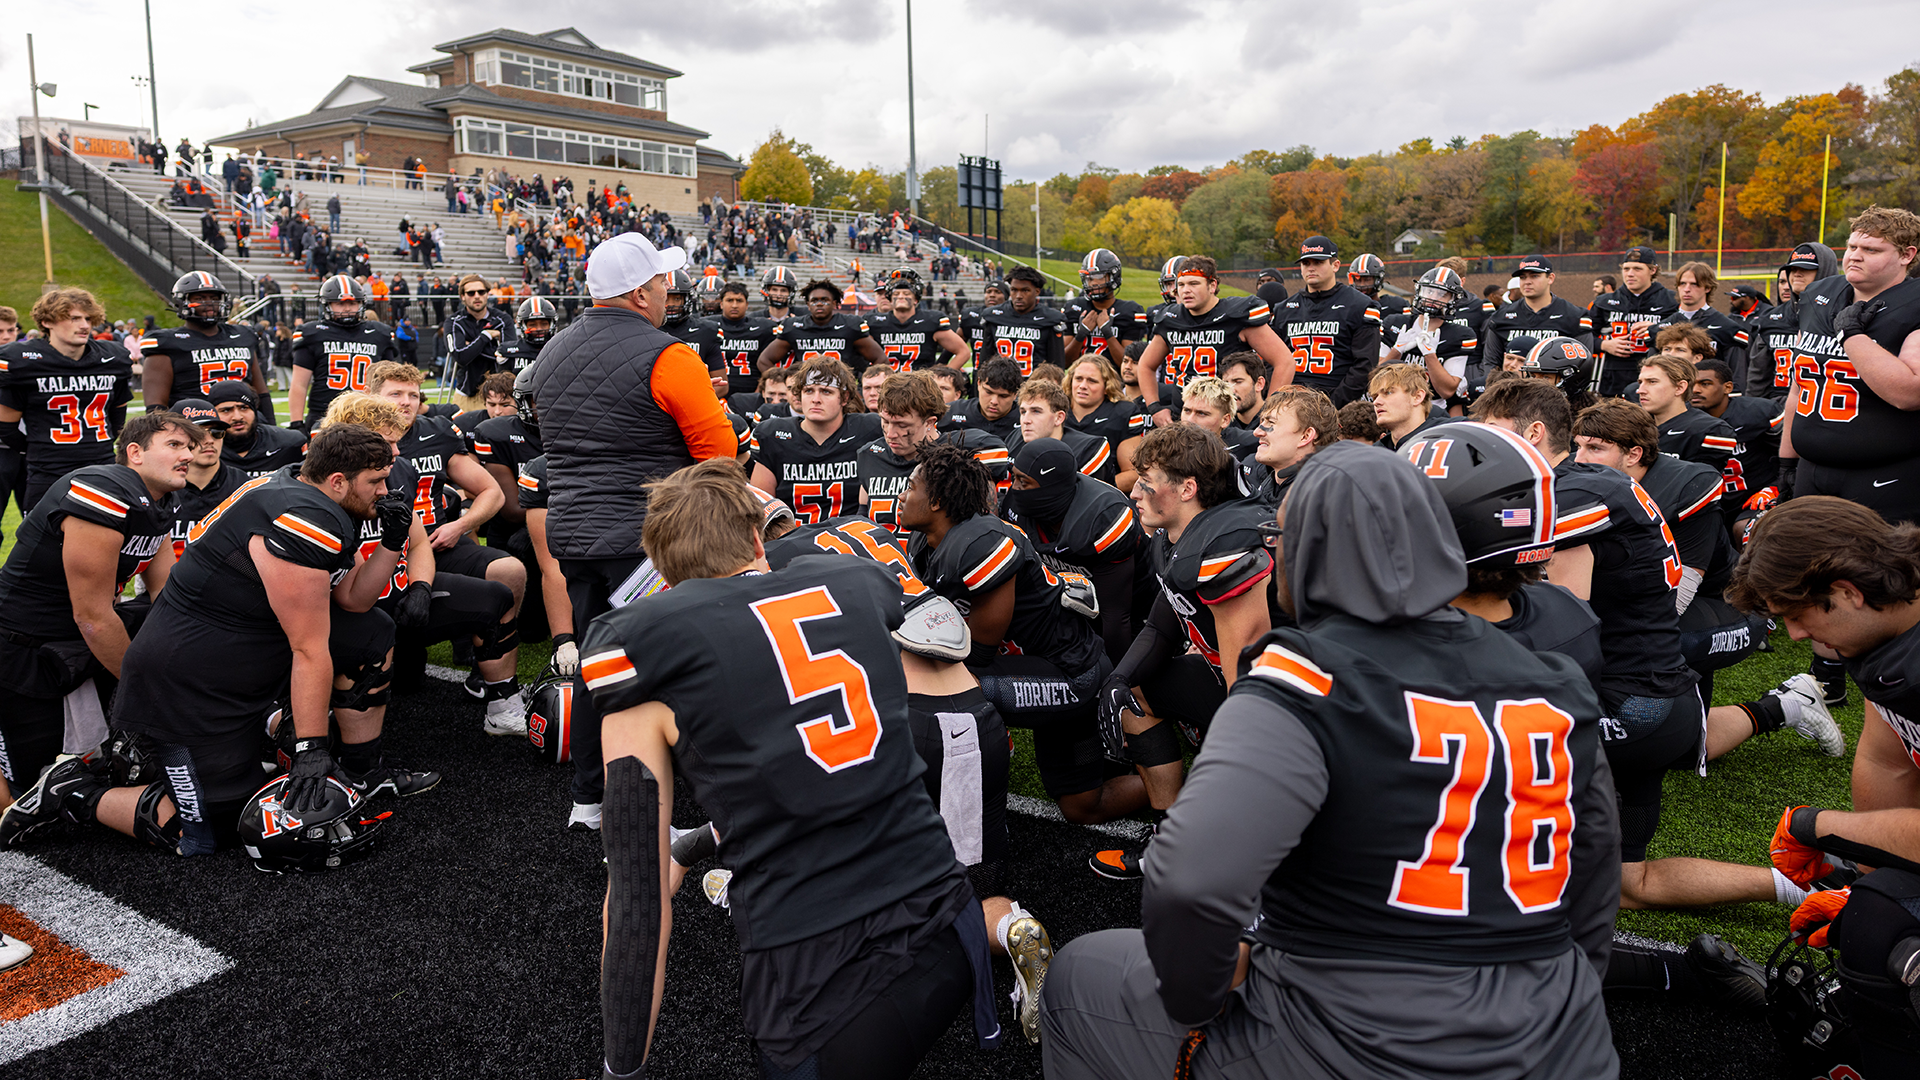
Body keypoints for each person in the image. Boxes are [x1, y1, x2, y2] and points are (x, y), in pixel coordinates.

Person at [1040, 440, 1619, 1080]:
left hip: (1360, 1038)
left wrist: (1198, 1006)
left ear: (1313, 546)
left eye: (1279, 535)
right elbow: (1593, 882)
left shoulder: (1305, 675)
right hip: (1563, 1042)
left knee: (1076, 975)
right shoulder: (1558, 679)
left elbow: (1190, 882)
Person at [580, 461, 1000, 1079]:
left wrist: (622, 1067)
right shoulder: (853, 583)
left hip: (821, 977)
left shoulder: (643, 670)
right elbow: (808, 774)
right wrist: (698, 844)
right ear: (757, 540)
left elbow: (639, 901)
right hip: (947, 920)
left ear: (662, 571)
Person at [1475, 380, 1836, 909]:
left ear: (1531, 434)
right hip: (1657, 689)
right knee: (1628, 885)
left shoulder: (1571, 493)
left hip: (1628, 700)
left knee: (1466, 747)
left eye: (1489, 439)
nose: (1478, 455)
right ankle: (1807, 885)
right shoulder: (1587, 480)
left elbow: (1556, 630)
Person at [2, 425, 427, 858]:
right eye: (376, 480)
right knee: (206, 832)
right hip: (191, 681)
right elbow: (308, 647)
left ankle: (358, 766)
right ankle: (75, 791)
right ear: (338, 480)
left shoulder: (302, 485)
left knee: (370, 630)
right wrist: (310, 748)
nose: (384, 490)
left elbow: (354, 600)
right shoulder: (302, 516)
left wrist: (393, 543)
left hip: (240, 657)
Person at [529, 230, 735, 831]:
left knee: (601, 668)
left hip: (573, 533)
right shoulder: (668, 355)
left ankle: (588, 800)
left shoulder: (552, 352)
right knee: (657, 674)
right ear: (642, 290)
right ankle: (649, 812)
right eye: (661, 280)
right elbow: (719, 456)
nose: (668, 290)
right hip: (646, 542)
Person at [1725, 497, 1920, 1077]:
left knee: (1887, 936)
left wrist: (1815, 825)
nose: (1793, 634)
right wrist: (1868, 874)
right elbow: (1888, 762)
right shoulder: (1893, 642)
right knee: (1869, 909)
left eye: (1799, 614)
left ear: (1850, 591)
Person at [900, 443, 1143, 827]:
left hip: (1071, 675)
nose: (900, 495)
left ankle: (946, 819)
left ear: (938, 501)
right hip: (1038, 667)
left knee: (944, 691)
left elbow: (977, 653)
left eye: (911, 487)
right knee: (1082, 807)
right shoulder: (927, 544)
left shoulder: (981, 542)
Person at [1090, 424, 1273, 878]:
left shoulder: (1222, 545)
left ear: (1188, 488)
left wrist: (1228, 742)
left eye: (1148, 483)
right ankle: (1169, 834)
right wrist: (1117, 679)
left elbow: (1246, 671)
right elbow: (1162, 621)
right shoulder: (1172, 538)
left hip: (1269, 699)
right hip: (1221, 673)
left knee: (1241, 820)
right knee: (1131, 695)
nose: (1135, 490)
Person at [0, 413, 190, 800]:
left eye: (188, 446)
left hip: (67, 643)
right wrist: (147, 691)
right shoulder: (103, 488)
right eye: (174, 445)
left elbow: (169, 599)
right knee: (22, 794)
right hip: (20, 645)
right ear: (135, 452)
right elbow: (92, 616)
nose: (187, 454)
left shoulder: (159, 501)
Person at [368, 363, 526, 731]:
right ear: (372, 395)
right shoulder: (356, 440)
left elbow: (492, 491)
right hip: (381, 554)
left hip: (440, 543)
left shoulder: (436, 432)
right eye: (396, 394)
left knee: (510, 570)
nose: (407, 402)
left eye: (412, 394)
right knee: (405, 682)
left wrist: (462, 524)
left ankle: (493, 683)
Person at [1785, 205, 1920, 526]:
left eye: (1871, 249)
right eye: (1852, 247)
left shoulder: (1913, 304)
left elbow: (1910, 393)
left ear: (1906, 255)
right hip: (1810, 469)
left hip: (1884, 476)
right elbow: (1799, 387)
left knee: (1875, 571)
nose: (1855, 256)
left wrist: (1852, 335)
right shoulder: (1819, 294)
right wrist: (1785, 461)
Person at [1002, 437, 1139, 661]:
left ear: (1051, 486)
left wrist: (1117, 679)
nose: (1015, 488)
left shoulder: (1104, 517)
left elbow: (1115, 615)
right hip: (1064, 601)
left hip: (1128, 606)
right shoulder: (1015, 503)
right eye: (1014, 477)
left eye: (1023, 481)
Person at [0, 288, 135, 511]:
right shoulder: (24, 362)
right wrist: (38, 449)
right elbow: (6, 427)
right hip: (48, 472)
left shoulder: (112, 358)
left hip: (102, 468)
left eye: (88, 318)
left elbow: (118, 419)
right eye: (74, 318)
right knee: (42, 542)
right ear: (47, 322)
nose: (84, 325)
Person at [1138, 257, 1292, 418]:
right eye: (1181, 284)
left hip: (1227, 419)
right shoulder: (1170, 319)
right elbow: (1146, 365)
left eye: (1194, 283)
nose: (1185, 290)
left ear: (1212, 285)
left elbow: (1284, 361)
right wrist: (1154, 408)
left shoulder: (1235, 316)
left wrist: (1271, 409)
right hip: (1185, 415)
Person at [856, 372, 1007, 534]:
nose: (891, 433)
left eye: (902, 425)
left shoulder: (963, 451)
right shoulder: (871, 455)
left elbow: (986, 526)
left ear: (929, 422)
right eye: (885, 421)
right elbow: (863, 516)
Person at [749, 355, 883, 523]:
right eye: (809, 391)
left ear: (845, 397)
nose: (816, 399)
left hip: (850, 540)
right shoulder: (773, 434)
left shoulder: (869, 429)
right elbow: (763, 511)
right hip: (791, 541)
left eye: (826, 391)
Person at [139, 272, 272, 417]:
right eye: (200, 298)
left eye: (214, 298)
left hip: (243, 425)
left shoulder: (243, 335)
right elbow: (155, 407)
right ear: (182, 302)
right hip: (195, 427)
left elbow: (261, 392)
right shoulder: (169, 342)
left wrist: (271, 426)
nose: (210, 303)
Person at [1270, 237, 1381, 407]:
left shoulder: (1360, 305)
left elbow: (1365, 365)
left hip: (1337, 402)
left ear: (1335, 265)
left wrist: (1331, 405)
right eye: (1306, 263)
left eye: (1318, 262)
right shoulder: (1283, 309)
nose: (1311, 268)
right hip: (1289, 402)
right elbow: (1269, 360)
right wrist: (1279, 398)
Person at [288, 275, 398, 429]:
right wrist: (296, 423)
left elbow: (391, 383)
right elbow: (299, 384)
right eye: (340, 303)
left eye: (352, 303)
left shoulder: (379, 333)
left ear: (361, 303)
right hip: (325, 415)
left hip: (368, 415)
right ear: (327, 305)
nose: (347, 309)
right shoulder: (312, 333)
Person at [1480, 254, 1595, 386]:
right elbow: (1491, 362)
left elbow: (1583, 364)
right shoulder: (1500, 317)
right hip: (1512, 392)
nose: (1527, 281)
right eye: (1523, 277)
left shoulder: (1574, 316)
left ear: (1550, 278)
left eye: (1535, 276)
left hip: (1556, 394)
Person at [1690, 358, 1782, 517]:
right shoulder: (1683, 419)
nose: (1696, 390)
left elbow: (1791, 458)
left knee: (1745, 530)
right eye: (1692, 384)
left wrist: (1775, 487)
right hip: (1708, 502)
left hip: (1753, 496)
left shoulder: (1759, 413)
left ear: (1728, 388)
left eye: (1705, 384)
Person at [1747, 243, 1839, 400]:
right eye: (1793, 269)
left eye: (1806, 269)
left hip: (1823, 406)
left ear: (1825, 271)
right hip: (1776, 407)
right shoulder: (1771, 320)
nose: (1797, 273)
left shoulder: (1842, 317)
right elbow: (1757, 378)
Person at [1379, 266, 1480, 405]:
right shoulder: (1395, 323)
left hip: (1432, 407)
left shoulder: (1461, 335)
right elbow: (1376, 378)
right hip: (1392, 403)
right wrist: (1397, 350)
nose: (1433, 298)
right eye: (1430, 291)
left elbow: (1447, 391)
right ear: (1420, 291)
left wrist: (1430, 355)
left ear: (1453, 300)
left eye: (1442, 294)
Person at [1590, 244, 1678, 398]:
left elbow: (1687, 335)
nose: (1630, 274)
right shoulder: (1604, 302)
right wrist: (1604, 344)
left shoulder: (1671, 300)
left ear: (1653, 270)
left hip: (1656, 376)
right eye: (1626, 268)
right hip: (1612, 378)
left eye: (1637, 269)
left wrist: (1659, 329)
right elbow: (1582, 337)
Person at [1638, 344, 1739, 475]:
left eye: (1652, 382)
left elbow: (1698, 486)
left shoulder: (1709, 431)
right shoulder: (1633, 424)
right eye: (1640, 382)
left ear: (1680, 387)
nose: (1640, 390)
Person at [1241, 386, 1338, 510]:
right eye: (1262, 422)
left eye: (1271, 423)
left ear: (1305, 436)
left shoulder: (1321, 498)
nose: (1257, 432)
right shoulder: (1272, 484)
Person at [758, 279, 883, 375]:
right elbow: (764, 361)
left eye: (824, 300)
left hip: (842, 391)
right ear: (808, 304)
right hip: (807, 391)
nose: (819, 304)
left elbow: (880, 359)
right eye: (814, 300)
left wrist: (867, 385)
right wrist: (784, 384)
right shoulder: (794, 326)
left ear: (834, 303)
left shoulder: (850, 325)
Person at [1008, 378, 1116, 484]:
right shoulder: (1015, 438)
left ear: (1059, 418)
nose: (1026, 420)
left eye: (1036, 411)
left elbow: (1085, 499)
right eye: (1023, 412)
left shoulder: (1088, 449)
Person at [1658, 261, 1751, 384]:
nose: (1686, 289)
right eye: (1682, 284)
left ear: (1708, 288)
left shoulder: (1728, 329)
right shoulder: (1662, 327)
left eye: (1694, 284)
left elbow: (1738, 376)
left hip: (1711, 396)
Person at [1064, 356, 1146, 491]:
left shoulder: (1122, 412)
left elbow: (1133, 474)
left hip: (1101, 495)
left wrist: (1086, 491)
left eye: (1092, 381)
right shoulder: (1056, 408)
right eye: (1078, 379)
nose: (1083, 386)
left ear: (1107, 386)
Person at [977, 266, 1069, 378]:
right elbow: (984, 361)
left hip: (1034, 389)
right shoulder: (993, 316)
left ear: (1037, 291)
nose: (1019, 296)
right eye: (1014, 290)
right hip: (1001, 388)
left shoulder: (1050, 319)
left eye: (1025, 290)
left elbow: (1056, 366)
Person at [870, 270, 971, 372]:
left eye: (906, 293)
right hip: (886, 385)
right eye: (896, 294)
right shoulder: (875, 322)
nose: (901, 296)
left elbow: (963, 352)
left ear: (916, 299)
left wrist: (940, 378)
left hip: (920, 386)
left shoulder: (930, 321)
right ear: (890, 299)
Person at [1063, 249, 1150, 364]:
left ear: (1114, 276)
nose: (1093, 283)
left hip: (1113, 381)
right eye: (1089, 278)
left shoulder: (1129, 311)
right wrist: (1081, 334)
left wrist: (1107, 333)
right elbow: (1064, 362)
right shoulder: (1074, 308)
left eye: (1099, 276)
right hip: (1080, 379)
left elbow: (1127, 365)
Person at [208, 379, 306, 478]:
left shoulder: (290, 443)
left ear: (255, 410)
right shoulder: (203, 449)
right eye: (226, 410)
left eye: (243, 408)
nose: (237, 417)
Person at [445, 272, 510, 412]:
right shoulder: (454, 322)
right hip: (466, 394)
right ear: (462, 296)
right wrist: (486, 337)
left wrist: (472, 346)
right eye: (471, 293)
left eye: (481, 292)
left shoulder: (503, 320)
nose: (477, 296)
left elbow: (507, 357)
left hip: (498, 395)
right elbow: (460, 357)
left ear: (487, 294)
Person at [713, 282, 778, 397]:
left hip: (751, 390)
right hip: (716, 392)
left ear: (747, 304)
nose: (734, 305)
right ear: (721, 304)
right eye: (729, 300)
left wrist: (758, 393)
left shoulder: (763, 327)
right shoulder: (708, 326)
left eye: (739, 301)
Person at [1175, 376, 1258, 457]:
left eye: (1201, 413)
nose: (1190, 420)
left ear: (1225, 420)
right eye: (1187, 411)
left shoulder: (1246, 443)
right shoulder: (1168, 445)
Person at [1369, 363, 1442, 450]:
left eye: (1388, 392)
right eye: (1375, 397)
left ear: (1417, 397)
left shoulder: (1449, 435)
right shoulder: (1375, 453)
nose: (1376, 402)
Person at [498, 295, 556, 377]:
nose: (538, 329)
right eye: (532, 325)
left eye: (544, 324)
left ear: (552, 325)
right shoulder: (509, 352)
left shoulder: (560, 349)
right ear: (523, 326)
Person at [1343, 252, 1406, 317]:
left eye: (1367, 280)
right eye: (1358, 280)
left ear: (1378, 280)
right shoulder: (1346, 308)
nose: (1362, 285)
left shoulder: (1397, 305)